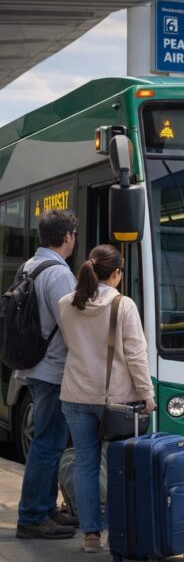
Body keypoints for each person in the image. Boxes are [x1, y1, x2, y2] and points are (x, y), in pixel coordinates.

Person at [58, 245, 155, 553]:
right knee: (117, 467)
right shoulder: (123, 305)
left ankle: (90, 536)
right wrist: (147, 394)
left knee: (85, 465)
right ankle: (117, 531)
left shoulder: (66, 304)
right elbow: (136, 356)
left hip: (75, 394)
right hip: (115, 400)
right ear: (115, 274)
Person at [15, 210, 79, 540]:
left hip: (34, 365)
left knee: (47, 440)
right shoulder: (59, 274)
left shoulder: (30, 265)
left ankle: (46, 508)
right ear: (67, 236)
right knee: (48, 443)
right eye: (74, 234)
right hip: (53, 368)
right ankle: (34, 515)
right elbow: (72, 324)